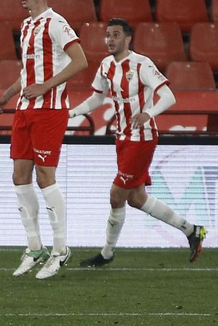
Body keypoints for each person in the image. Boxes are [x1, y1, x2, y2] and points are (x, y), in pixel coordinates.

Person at [70, 19, 205, 267]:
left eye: (116, 35)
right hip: (122, 138)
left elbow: (169, 96)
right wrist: (71, 113)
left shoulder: (142, 64)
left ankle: (107, 253)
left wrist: (149, 113)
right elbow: (97, 98)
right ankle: (192, 230)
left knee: (116, 195)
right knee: (136, 198)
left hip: (142, 138)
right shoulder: (106, 66)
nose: (110, 40)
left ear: (128, 38)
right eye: (108, 35)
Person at [0, 0, 88, 280]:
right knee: (20, 176)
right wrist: (8, 95)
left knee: (45, 177)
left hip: (50, 110)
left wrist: (46, 86)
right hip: (24, 109)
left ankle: (60, 249)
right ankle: (35, 247)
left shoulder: (55, 23)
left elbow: (80, 61)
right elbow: (27, 71)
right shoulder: (27, 25)